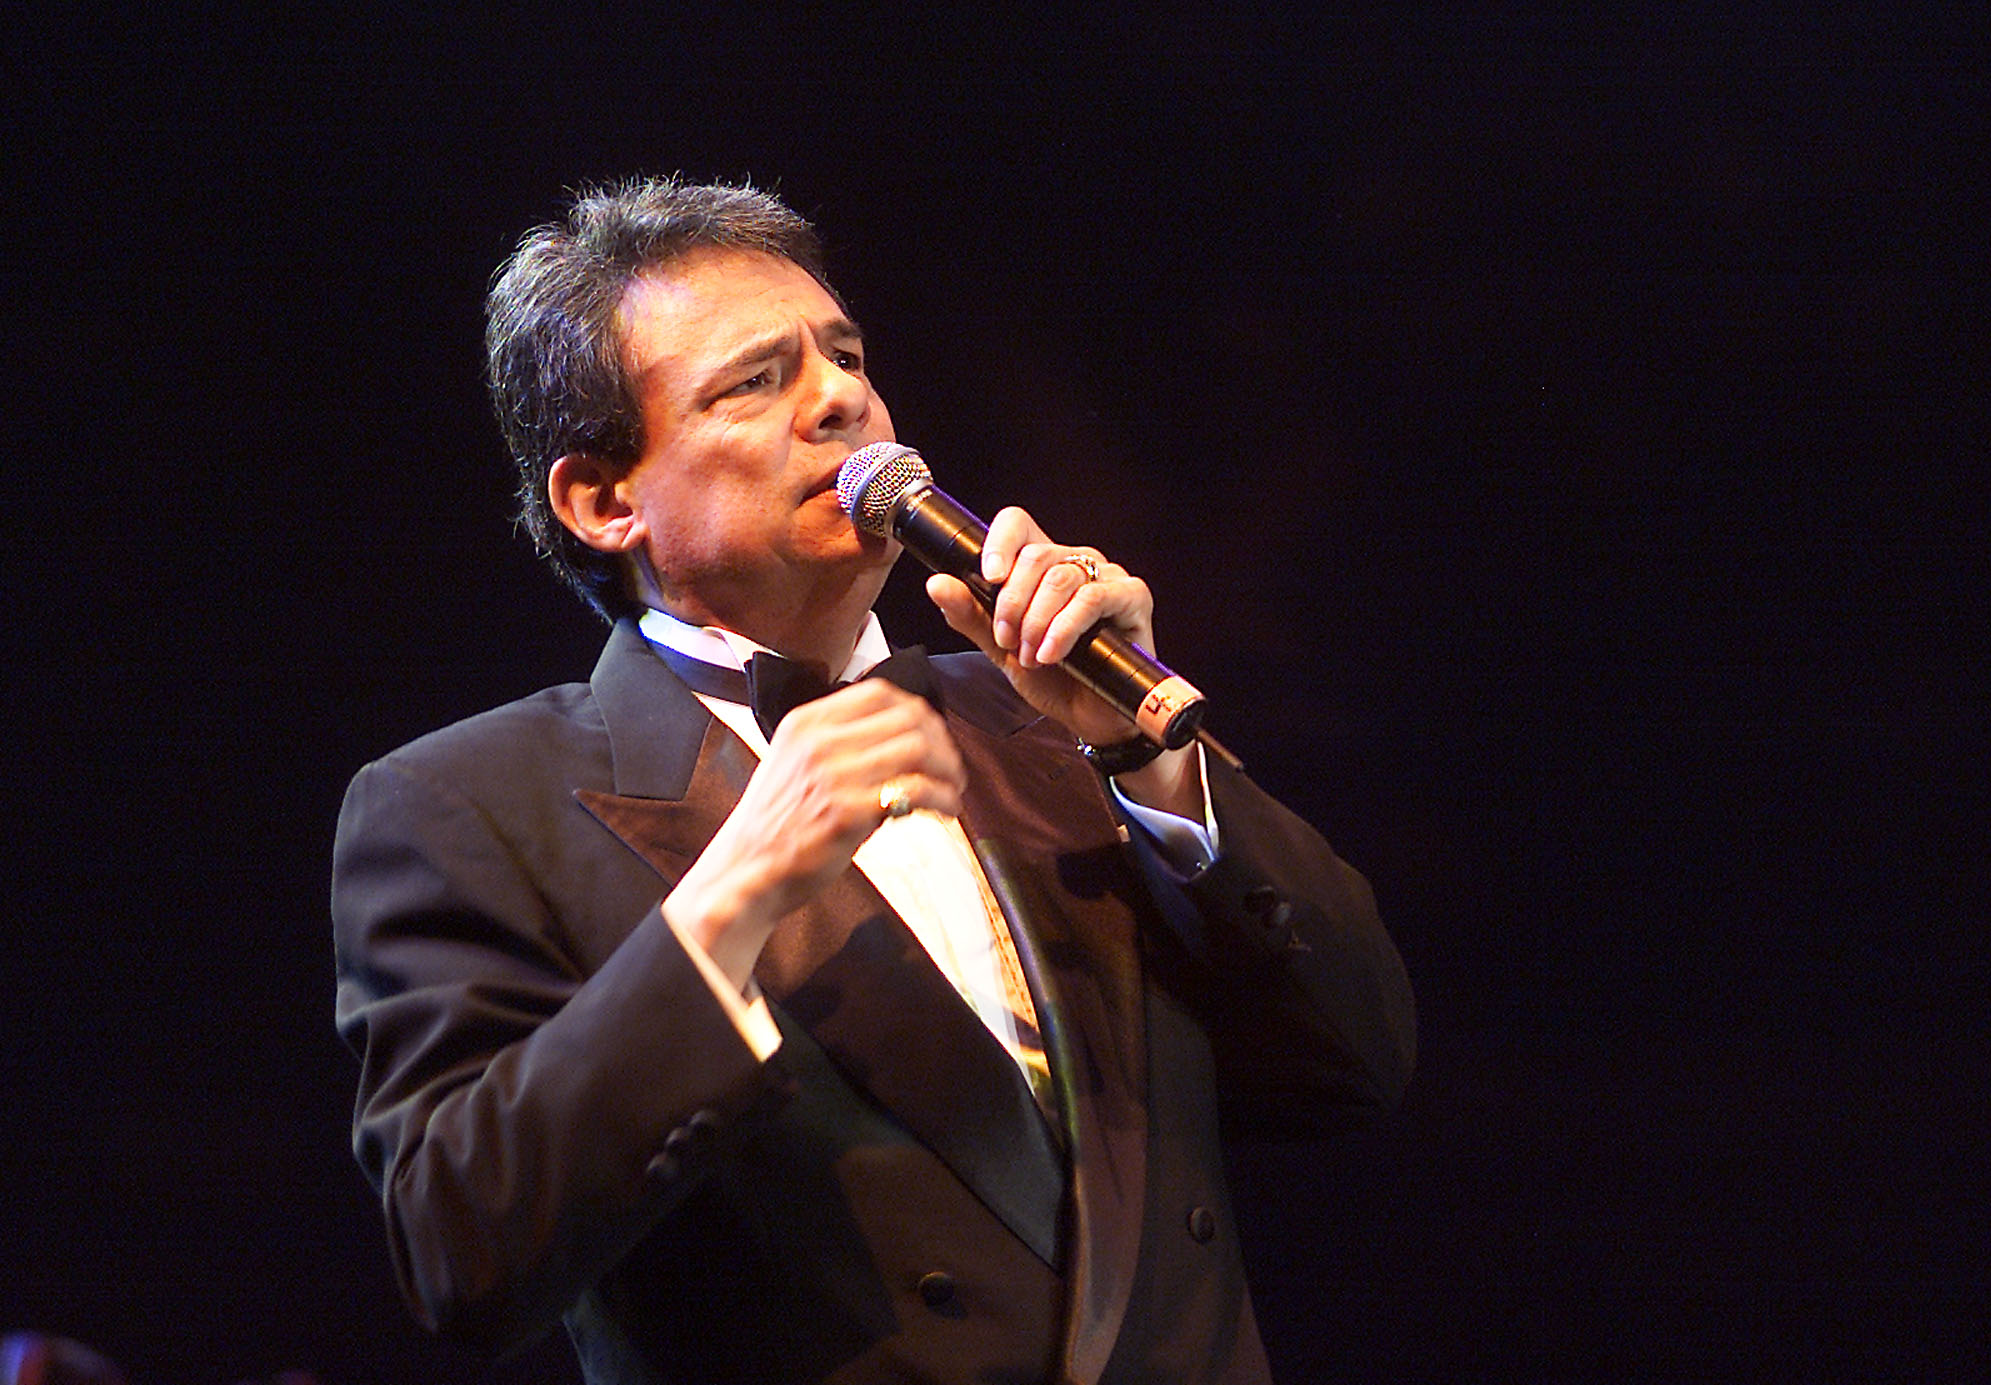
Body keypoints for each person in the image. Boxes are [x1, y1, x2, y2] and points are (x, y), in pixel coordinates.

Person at [332, 177, 1415, 1385]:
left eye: (845, 357)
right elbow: (461, 1249)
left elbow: (1353, 1065)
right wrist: (735, 890)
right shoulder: (468, 803)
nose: (840, 398)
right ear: (603, 498)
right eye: (756, 380)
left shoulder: (1051, 715)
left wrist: (1152, 761)